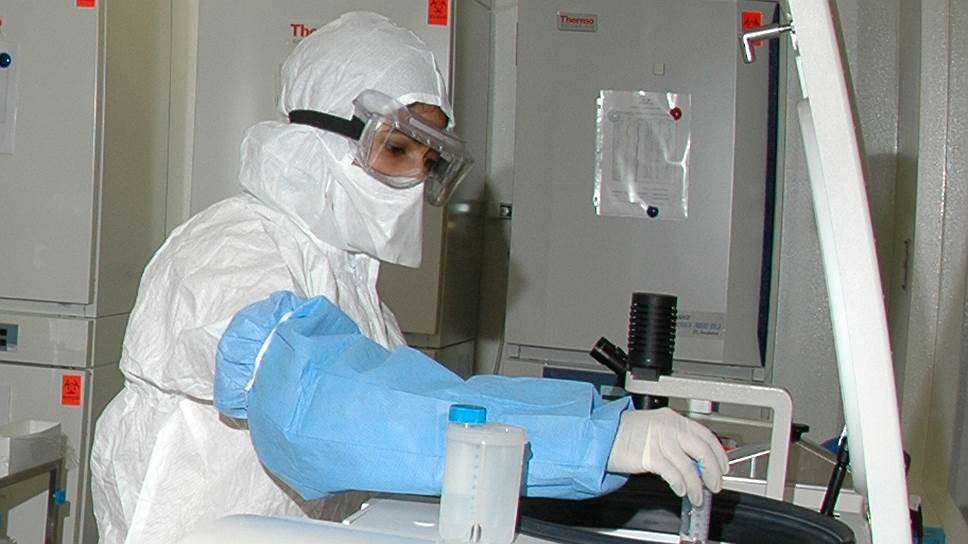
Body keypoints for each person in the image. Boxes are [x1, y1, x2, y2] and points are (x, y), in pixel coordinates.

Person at [90, 11, 727, 544]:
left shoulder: (349, 280)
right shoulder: (230, 251)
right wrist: (591, 441)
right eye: (397, 149)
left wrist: (602, 420)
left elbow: (425, 403)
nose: (416, 179)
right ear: (318, 136)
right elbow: (314, 401)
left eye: (431, 160)